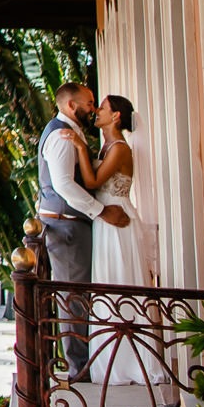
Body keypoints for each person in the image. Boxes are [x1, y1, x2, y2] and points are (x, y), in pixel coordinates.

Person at [37, 82, 129, 381]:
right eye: (90, 103)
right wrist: (101, 212)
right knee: (73, 298)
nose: (93, 108)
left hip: (74, 224)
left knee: (79, 296)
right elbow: (64, 185)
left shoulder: (74, 135)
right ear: (71, 106)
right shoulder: (62, 137)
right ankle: (79, 369)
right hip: (66, 225)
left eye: (96, 104)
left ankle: (88, 363)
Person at [79, 96, 167, 385]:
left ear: (116, 116)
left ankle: (131, 361)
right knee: (107, 287)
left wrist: (79, 147)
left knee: (120, 284)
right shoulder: (105, 146)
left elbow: (92, 182)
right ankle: (111, 362)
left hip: (118, 221)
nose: (97, 112)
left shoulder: (118, 148)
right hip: (104, 221)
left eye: (102, 107)